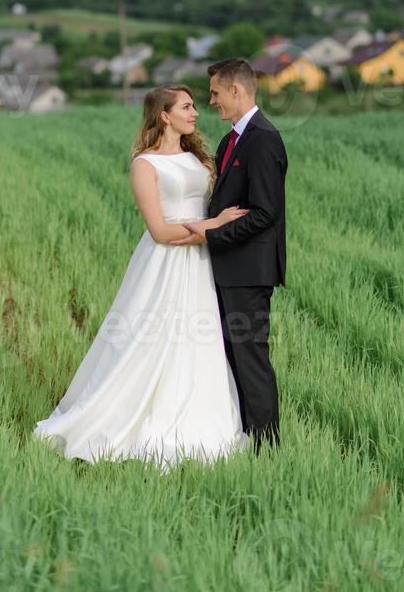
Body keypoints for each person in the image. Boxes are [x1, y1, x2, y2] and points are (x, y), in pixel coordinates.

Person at [33, 84, 249, 471]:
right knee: (147, 337)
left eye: (196, 105)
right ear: (164, 115)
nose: (196, 112)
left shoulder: (199, 158)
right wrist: (213, 225)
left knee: (199, 339)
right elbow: (160, 232)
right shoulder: (145, 164)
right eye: (186, 106)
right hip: (164, 262)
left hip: (201, 261)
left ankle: (200, 416)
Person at [172, 58, 287, 453]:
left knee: (250, 357)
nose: (211, 102)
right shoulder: (230, 140)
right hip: (226, 269)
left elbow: (265, 213)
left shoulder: (264, 139)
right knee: (229, 358)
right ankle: (240, 437)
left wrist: (213, 233)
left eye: (216, 94)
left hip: (248, 272)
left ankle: (266, 447)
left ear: (236, 91)